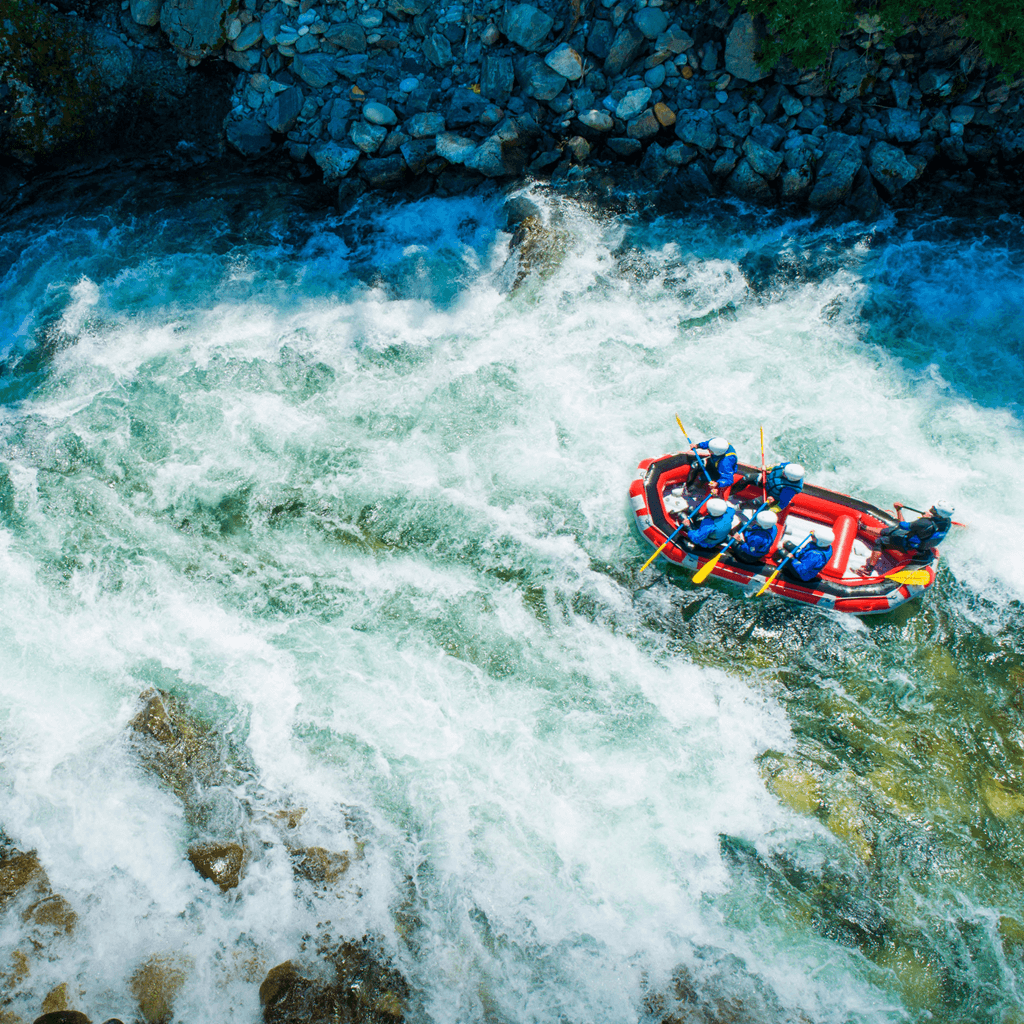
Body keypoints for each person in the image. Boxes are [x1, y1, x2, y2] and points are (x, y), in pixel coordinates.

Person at [864, 503, 954, 569]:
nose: (932, 507)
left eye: (934, 508)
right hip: (922, 542)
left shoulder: (924, 523)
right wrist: (929, 518)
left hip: (910, 546)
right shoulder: (947, 522)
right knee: (890, 531)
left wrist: (898, 510)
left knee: (880, 541)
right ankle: (863, 527)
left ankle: (868, 569)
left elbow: (902, 525)